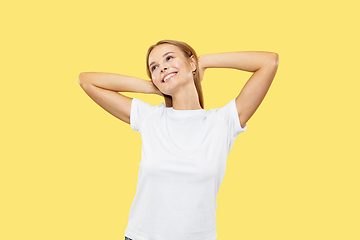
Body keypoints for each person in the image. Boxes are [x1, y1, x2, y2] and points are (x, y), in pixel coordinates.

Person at [78, 39, 279, 240]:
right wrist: (152, 86)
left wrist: (205, 61)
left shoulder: (222, 122)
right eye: (154, 67)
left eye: (169, 58)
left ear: (191, 63)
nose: (162, 67)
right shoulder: (150, 117)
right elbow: (86, 80)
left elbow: (269, 62)